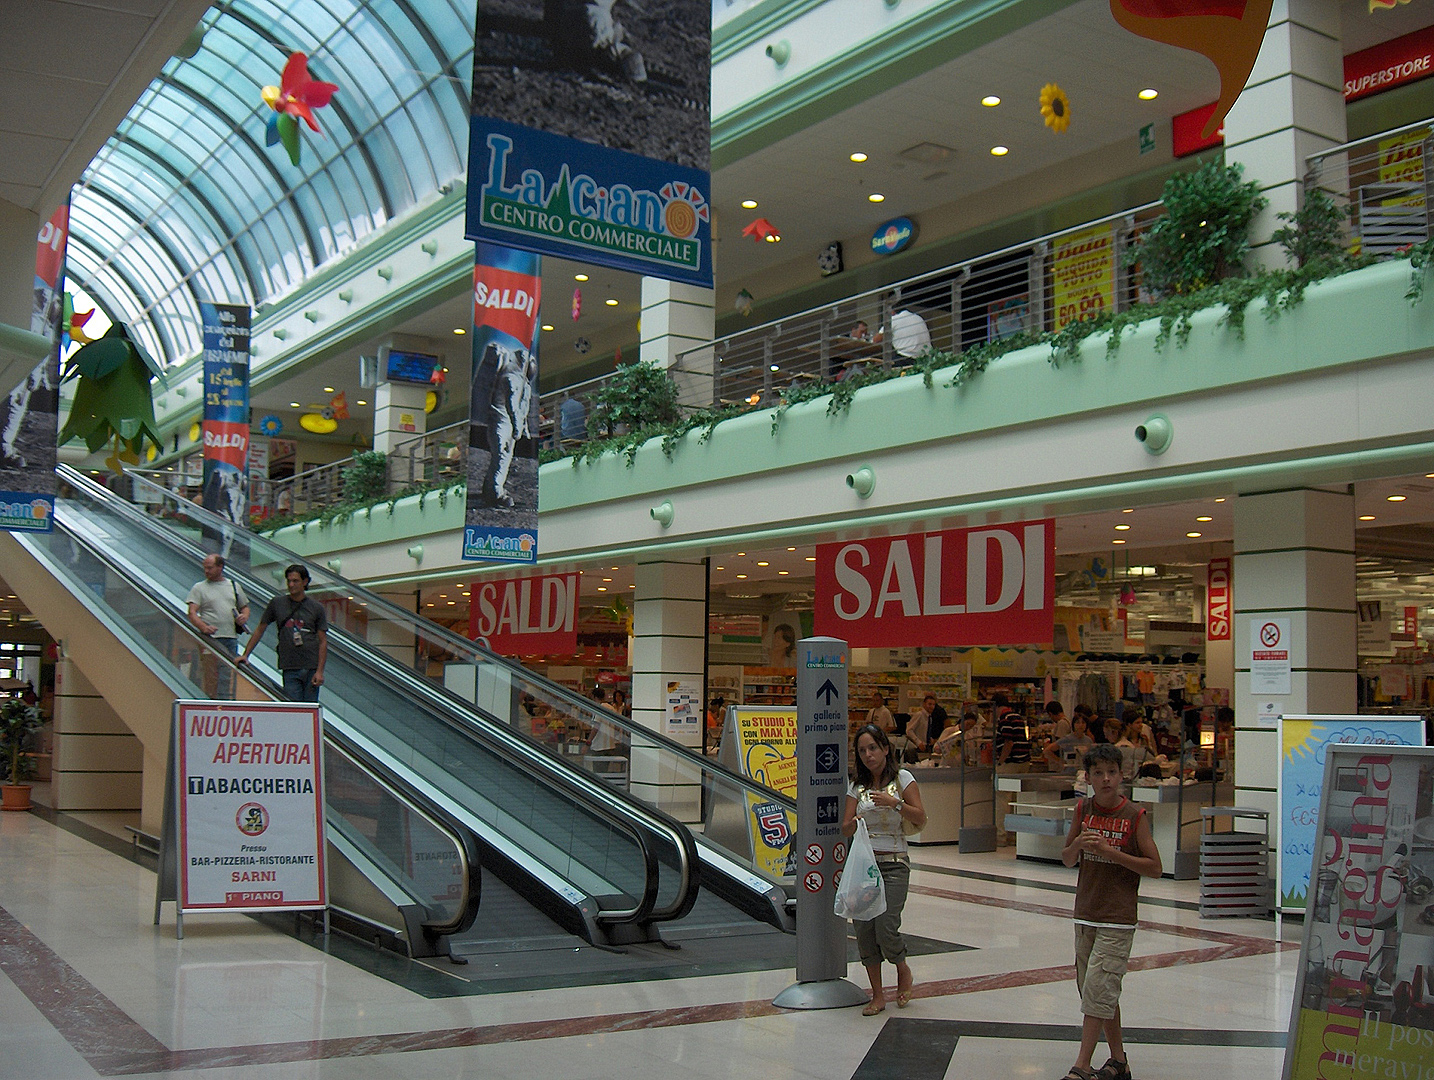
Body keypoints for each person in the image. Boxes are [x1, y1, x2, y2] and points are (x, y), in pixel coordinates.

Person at [1059, 744, 1163, 1080]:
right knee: (1098, 992)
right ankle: (1119, 1061)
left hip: (1117, 918)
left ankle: (1082, 1065)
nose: (1106, 779)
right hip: (1086, 912)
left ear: (1122, 775)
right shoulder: (1083, 809)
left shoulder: (1134, 816)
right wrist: (1078, 845)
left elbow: (1155, 867)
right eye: (1099, 773)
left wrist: (1111, 851)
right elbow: (1067, 858)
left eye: (1112, 773)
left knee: (1098, 990)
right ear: (1087, 778)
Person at [841, 724, 926, 1016]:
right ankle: (877, 994)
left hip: (894, 863)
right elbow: (845, 825)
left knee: (886, 926)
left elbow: (921, 817)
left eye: (873, 748)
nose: (868, 755)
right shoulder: (857, 785)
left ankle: (902, 968)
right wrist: (853, 824)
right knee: (864, 929)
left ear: (886, 749)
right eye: (862, 750)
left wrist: (896, 803)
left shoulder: (903, 779)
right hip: (865, 865)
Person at [238, 563, 327, 702]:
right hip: (289, 665)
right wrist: (246, 654)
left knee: (309, 709)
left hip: (311, 666)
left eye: (295, 581)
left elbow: (323, 641)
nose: (291, 585)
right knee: (293, 707)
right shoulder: (277, 603)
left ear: (305, 582)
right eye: (289, 581)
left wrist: (320, 671)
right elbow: (260, 629)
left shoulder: (316, 608)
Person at [186, 553, 251, 698]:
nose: (206, 571)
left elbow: (245, 607)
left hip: (230, 636)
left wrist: (244, 616)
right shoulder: (199, 588)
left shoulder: (233, 586)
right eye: (205, 568)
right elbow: (192, 612)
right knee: (209, 672)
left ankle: (224, 699)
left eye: (210, 568)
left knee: (227, 673)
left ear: (220, 567)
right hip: (210, 638)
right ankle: (211, 698)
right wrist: (203, 627)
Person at [480, 343, 536, 509]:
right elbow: (512, 406)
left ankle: (489, 488)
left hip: (505, 423)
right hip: (501, 422)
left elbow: (521, 408)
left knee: (502, 458)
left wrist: (522, 426)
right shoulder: (511, 378)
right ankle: (496, 494)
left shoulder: (516, 379)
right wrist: (518, 427)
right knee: (501, 458)